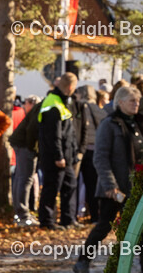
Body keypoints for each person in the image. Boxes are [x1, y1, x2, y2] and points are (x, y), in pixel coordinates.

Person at [73, 85, 143, 273]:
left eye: (137, 101)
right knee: (104, 226)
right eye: (132, 101)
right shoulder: (109, 124)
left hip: (137, 187)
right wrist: (110, 185)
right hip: (115, 188)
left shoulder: (139, 123)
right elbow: (100, 157)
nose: (136, 104)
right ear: (120, 102)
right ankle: (83, 261)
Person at [37, 73, 79, 229]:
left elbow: (67, 132)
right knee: (51, 187)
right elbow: (53, 135)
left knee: (70, 185)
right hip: (55, 157)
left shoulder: (61, 102)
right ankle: (46, 221)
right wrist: (58, 156)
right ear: (70, 87)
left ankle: (68, 219)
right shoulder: (53, 105)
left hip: (65, 155)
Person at [74, 85, 106, 223]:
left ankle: (73, 215)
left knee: (75, 184)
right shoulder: (97, 109)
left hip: (80, 149)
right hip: (94, 149)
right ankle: (95, 215)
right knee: (91, 184)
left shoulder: (78, 108)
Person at [10, 95, 41, 225]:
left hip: (21, 144)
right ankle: (22, 214)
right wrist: (31, 148)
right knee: (25, 178)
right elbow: (31, 130)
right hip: (25, 146)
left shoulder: (36, 110)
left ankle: (21, 212)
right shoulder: (40, 110)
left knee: (21, 177)